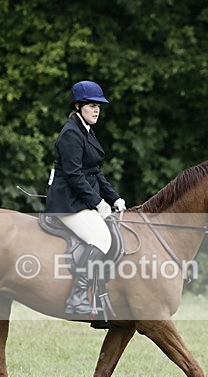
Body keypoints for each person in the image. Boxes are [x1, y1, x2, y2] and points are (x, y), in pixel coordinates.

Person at [45, 80, 126, 315]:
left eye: (98, 106)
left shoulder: (86, 131)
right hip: (67, 204)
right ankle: (77, 298)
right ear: (79, 106)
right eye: (91, 105)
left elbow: (94, 172)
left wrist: (114, 198)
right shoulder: (71, 133)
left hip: (79, 201)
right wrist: (98, 203)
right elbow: (74, 176)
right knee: (101, 237)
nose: (97, 110)